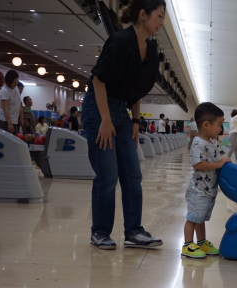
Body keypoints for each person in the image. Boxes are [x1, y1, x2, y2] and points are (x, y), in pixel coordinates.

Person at [81, 0, 165, 250]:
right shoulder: (119, 41)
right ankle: (100, 232)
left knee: (132, 174)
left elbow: (137, 89)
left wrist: (137, 120)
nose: (161, 22)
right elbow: (98, 81)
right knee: (107, 175)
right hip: (99, 109)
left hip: (122, 111)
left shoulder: (151, 52)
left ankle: (134, 231)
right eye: (159, 16)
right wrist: (105, 121)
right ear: (143, 14)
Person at [182, 102, 231, 258]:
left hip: (207, 189)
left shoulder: (212, 142)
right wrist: (218, 164)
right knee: (192, 218)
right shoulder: (198, 143)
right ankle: (188, 245)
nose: (221, 129)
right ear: (205, 124)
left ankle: (201, 242)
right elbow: (198, 163)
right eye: (219, 125)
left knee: (200, 218)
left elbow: (212, 159)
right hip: (198, 190)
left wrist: (221, 162)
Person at [0, 70, 24, 136]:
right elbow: (5, 108)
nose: (15, 84)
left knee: (14, 142)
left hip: (14, 121)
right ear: (9, 81)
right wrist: (9, 123)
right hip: (4, 121)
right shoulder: (4, 91)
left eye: (17, 82)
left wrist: (21, 117)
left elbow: (18, 103)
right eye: (13, 82)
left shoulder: (16, 88)